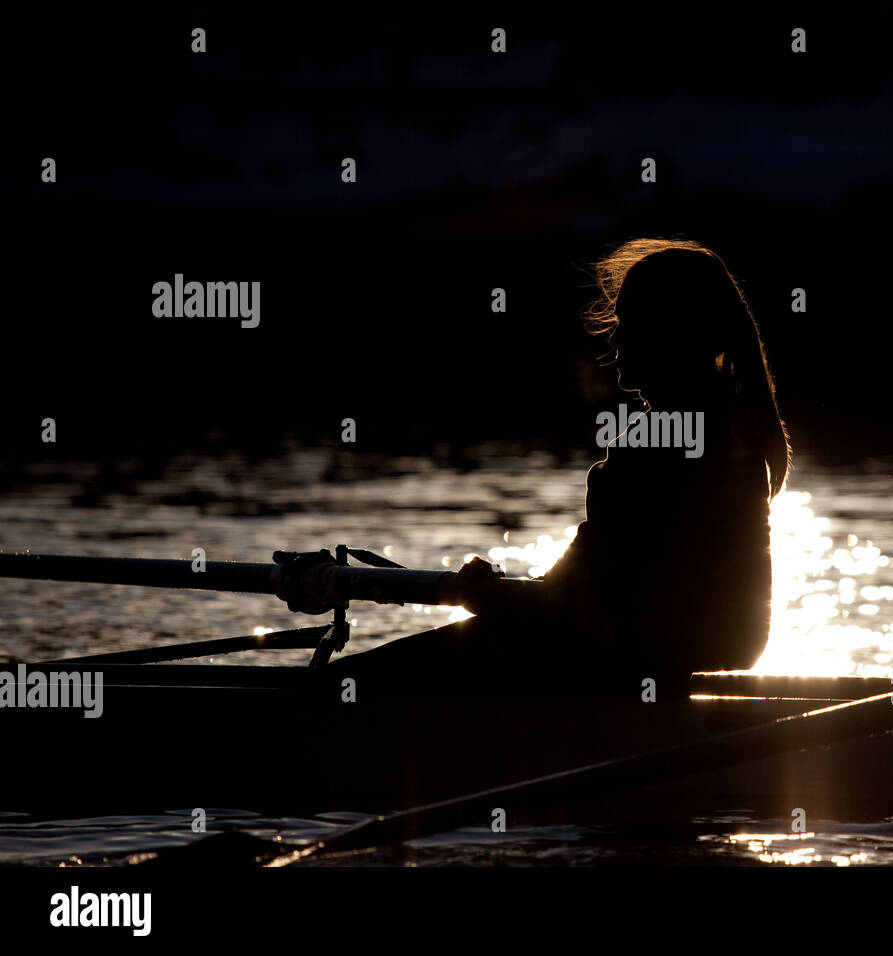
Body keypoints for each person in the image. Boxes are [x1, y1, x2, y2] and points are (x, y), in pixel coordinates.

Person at [328, 239, 791, 688]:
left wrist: (483, 594)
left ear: (675, 332)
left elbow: (577, 601)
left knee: (345, 685)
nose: (615, 335)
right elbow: (585, 587)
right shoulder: (731, 428)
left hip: (632, 658)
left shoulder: (667, 446)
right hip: (659, 653)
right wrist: (500, 594)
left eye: (630, 320)